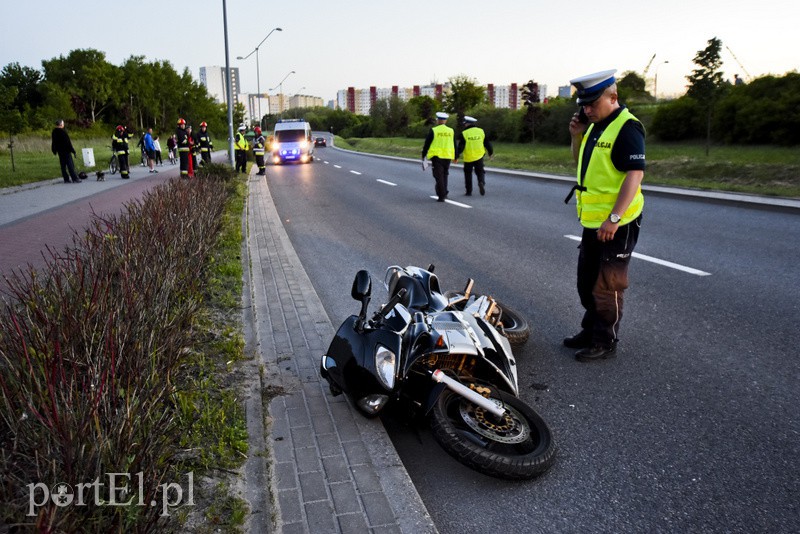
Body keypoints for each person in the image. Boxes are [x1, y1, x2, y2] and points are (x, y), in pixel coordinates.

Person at [564, 69, 646, 362]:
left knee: (607, 285)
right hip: (592, 220)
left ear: (613, 97)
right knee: (586, 282)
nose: (586, 110)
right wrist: (577, 136)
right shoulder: (596, 125)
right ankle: (590, 330)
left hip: (619, 222)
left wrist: (614, 218)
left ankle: (604, 340)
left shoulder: (627, 127)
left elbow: (634, 174)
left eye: (592, 104)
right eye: (583, 105)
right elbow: (581, 164)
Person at [455, 115, 493, 196]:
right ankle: (481, 182)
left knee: (468, 174)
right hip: (479, 156)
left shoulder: (464, 133)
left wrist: (456, 156)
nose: (464, 125)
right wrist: (490, 153)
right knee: (480, 171)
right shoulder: (481, 131)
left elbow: (461, 147)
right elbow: (487, 143)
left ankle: (469, 191)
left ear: (467, 124)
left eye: (465, 123)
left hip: (468, 157)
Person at [421, 112, 455, 202]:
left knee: (438, 176)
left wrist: (424, 154)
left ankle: (441, 195)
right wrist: (456, 156)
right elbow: (454, 143)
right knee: (445, 174)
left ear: (438, 120)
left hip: (437, 156)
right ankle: (445, 192)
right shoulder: (451, 130)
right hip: (448, 155)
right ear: (445, 121)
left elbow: (427, 143)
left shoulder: (434, 130)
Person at [50, 119, 81, 184]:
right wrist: (73, 151)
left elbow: (54, 142)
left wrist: (54, 150)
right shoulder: (63, 132)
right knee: (70, 165)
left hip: (60, 151)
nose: (63, 125)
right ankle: (74, 178)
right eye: (63, 123)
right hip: (66, 151)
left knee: (63, 165)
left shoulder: (54, 132)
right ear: (61, 124)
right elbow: (68, 143)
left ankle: (66, 179)